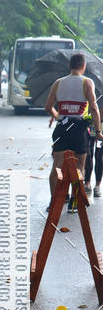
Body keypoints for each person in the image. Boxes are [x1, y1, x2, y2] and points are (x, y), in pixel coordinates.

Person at [45, 52, 103, 211]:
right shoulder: (87, 82)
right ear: (83, 66)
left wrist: (58, 117)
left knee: (57, 165)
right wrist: (98, 130)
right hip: (79, 129)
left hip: (62, 128)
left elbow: (48, 107)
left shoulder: (58, 83)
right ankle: (73, 203)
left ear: (69, 66)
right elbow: (93, 107)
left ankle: (54, 202)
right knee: (79, 166)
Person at [83, 105, 102, 197]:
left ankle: (97, 185)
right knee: (88, 154)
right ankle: (87, 182)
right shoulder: (92, 92)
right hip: (91, 125)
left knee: (100, 157)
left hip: (101, 127)